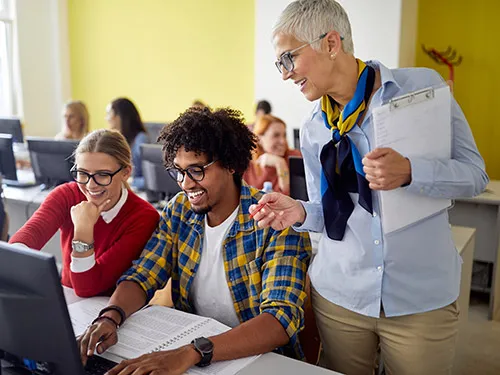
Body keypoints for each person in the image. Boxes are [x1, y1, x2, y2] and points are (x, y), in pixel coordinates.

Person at [250, 1, 489, 374]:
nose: (285, 75)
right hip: (340, 297)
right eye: (280, 64)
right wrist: (299, 211)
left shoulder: (421, 88)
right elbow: (331, 212)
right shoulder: (314, 126)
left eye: (289, 59)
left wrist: (411, 171)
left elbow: (475, 174)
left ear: (331, 43)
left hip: (419, 300)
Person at [77, 107, 312, 374]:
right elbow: (143, 274)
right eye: (178, 171)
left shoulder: (274, 220)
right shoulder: (180, 209)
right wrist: (111, 316)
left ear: (231, 164)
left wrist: (192, 352)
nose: (186, 184)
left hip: (258, 361)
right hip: (196, 356)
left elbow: (279, 321)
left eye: (197, 170)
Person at [9, 129, 159, 297]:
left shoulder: (144, 217)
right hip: (69, 301)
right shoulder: (67, 195)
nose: (91, 185)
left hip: (109, 309)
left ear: (126, 173)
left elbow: (85, 287)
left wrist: (83, 230)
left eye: (102, 175)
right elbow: (30, 234)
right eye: (82, 173)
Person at [243, 114, 301, 195]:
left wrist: (280, 163)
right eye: (276, 135)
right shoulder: (247, 165)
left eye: (284, 135)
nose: (283, 141)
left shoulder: (295, 157)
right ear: (259, 139)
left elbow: (291, 197)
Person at [106, 97, 149, 190]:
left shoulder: (140, 139)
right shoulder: (114, 140)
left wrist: (130, 181)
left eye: (109, 114)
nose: (107, 118)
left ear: (119, 117)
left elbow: (149, 179)